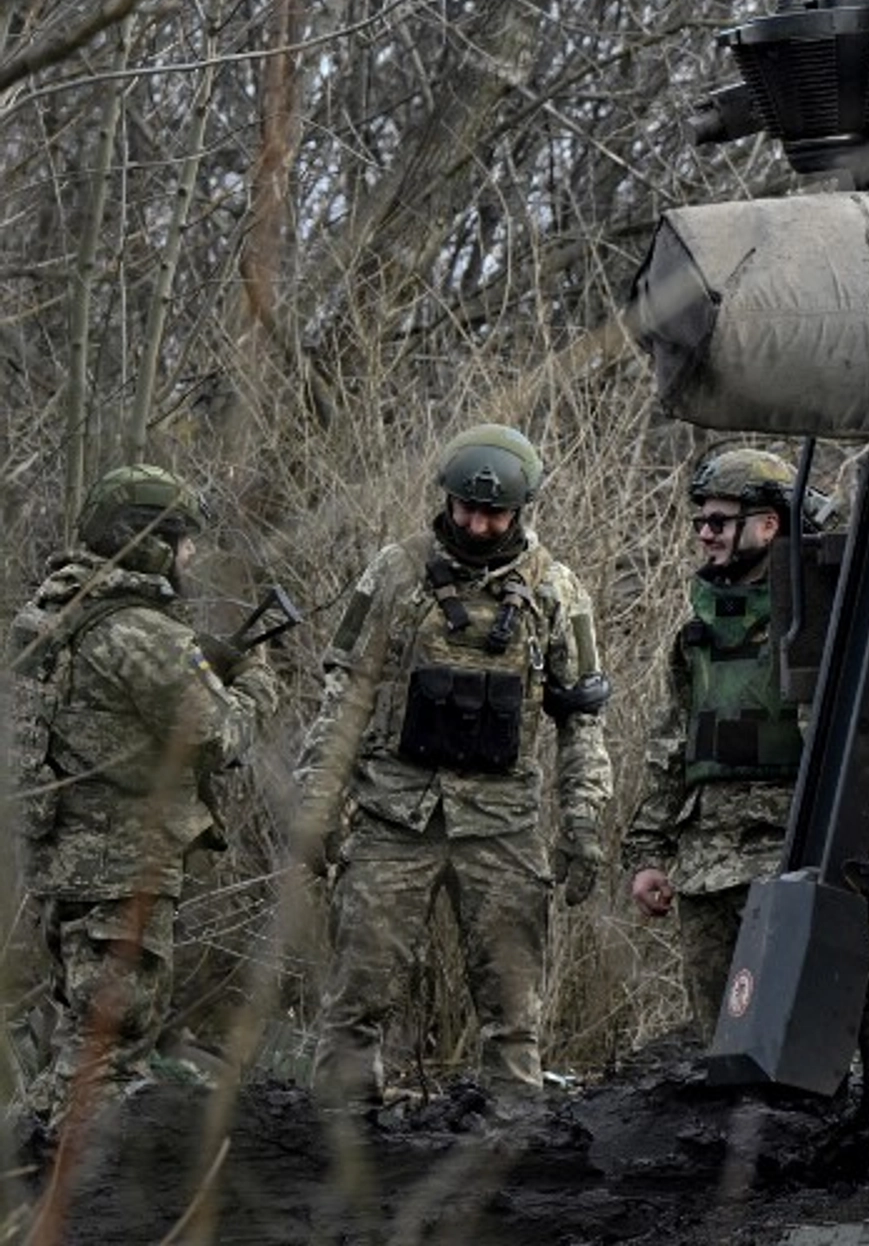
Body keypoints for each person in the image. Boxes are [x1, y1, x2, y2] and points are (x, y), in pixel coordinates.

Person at [296, 423, 612, 1112]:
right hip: (393, 814)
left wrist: (583, 824)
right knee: (358, 989)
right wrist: (317, 804)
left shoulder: (555, 590)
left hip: (501, 822)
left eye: (493, 512)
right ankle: (340, 1135)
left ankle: (514, 1138)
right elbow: (344, 698)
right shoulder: (396, 573)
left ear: (520, 510)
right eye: (466, 508)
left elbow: (581, 720)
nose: (477, 523)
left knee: (512, 1001)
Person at [7, 464, 283, 1124]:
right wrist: (255, 682)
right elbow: (217, 734)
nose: (191, 554)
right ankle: (81, 1209)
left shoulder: (54, 609)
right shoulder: (141, 632)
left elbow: (107, 717)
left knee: (78, 1043)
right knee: (108, 1055)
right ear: (148, 542)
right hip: (122, 868)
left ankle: (27, 1175)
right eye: (183, 539)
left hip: (66, 863)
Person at [623, 448, 809, 1032]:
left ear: (768, 524)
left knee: (786, 1034)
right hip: (704, 859)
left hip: (785, 853)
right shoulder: (696, 626)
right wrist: (650, 855)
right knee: (718, 1037)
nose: (705, 534)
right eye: (700, 521)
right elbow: (672, 741)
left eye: (719, 521)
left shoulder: (817, 615)